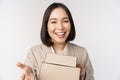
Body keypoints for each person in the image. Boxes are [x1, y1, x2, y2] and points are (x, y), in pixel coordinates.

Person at [16, 2, 94, 80]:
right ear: (46, 26)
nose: (60, 27)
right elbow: (27, 75)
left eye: (65, 21)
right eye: (53, 22)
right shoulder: (34, 53)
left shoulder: (82, 53)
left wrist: (84, 76)